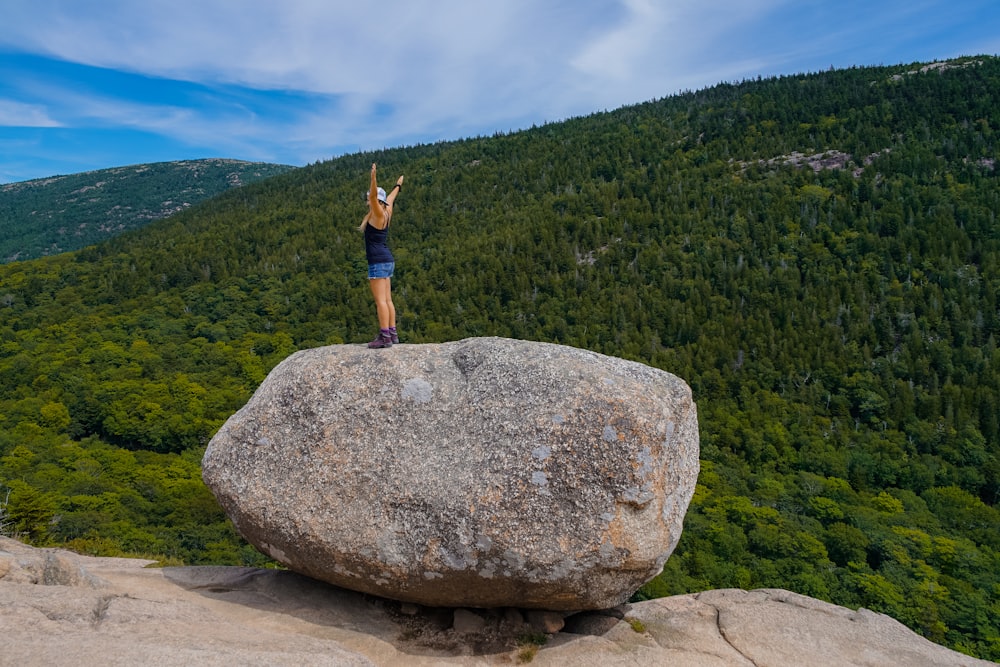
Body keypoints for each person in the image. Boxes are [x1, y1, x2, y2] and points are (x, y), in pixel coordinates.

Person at [359, 162, 404, 348]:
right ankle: (392, 334)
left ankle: (384, 337)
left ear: (375, 199)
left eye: (369, 198)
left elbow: (374, 196)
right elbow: (393, 196)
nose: (367, 200)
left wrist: (373, 178)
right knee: (388, 300)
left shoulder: (377, 214)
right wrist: (399, 185)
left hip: (377, 261)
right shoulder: (388, 210)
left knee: (381, 302)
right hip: (387, 259)